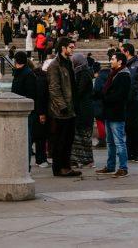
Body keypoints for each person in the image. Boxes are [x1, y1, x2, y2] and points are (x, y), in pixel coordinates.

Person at [47, 37, 80, 177]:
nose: (73, 49)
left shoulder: (68, 63)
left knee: (68, 140)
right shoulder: (55, 65)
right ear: (63, 48)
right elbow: (54, 88)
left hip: (70, 108)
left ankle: (66, 166)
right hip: (60, 111)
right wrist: (62, 106)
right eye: (71, 47)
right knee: (60, 140)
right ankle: (59, 168)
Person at [97, 51, 131, 177]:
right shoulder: (114, 74)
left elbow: (120, 95)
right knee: (110, 142)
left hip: (117, 113)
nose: (110, 61)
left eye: (112, 59)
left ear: (120, 61)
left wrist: (105, 97)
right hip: (109, 112)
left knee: (119, 142)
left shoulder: (124, 75)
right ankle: (110, 166)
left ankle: (123, 167)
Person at [10, 51, 38, 168]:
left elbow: (31, 95)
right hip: (18, 111)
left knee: (26, 140)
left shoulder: (27, 74)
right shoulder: (20, 73)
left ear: (16, 61)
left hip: (25, 113)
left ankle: (25, 166)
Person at [70, 52, 95, 169]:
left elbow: (80, 91)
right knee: (78, 137)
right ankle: (78, 160)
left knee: (84, 137)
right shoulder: (79, 72)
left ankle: (88, 160)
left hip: (84, 109)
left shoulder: (84, 74)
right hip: (81, 109)